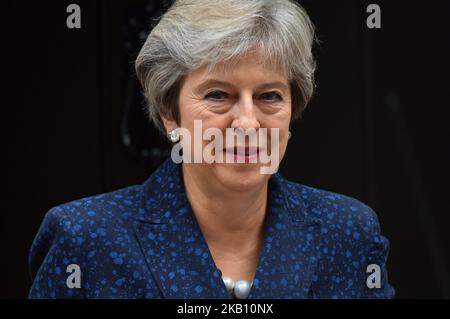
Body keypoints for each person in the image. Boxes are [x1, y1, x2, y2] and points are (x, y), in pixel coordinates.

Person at [29, 0, 394, 299]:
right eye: (218, 95)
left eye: (269, 96)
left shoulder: (348, 233)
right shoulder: (86, 240)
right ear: (169, 114)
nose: (248, 123)